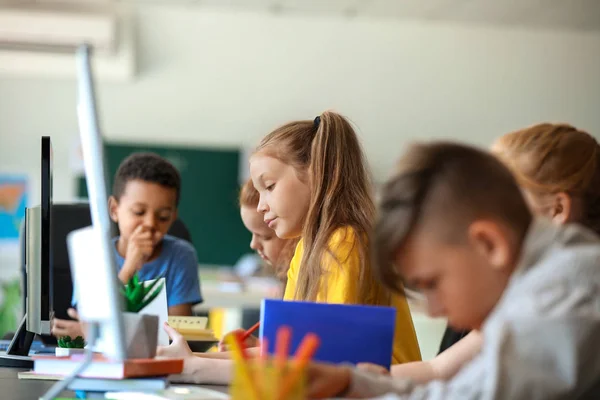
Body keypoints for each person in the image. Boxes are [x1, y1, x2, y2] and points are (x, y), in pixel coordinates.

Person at [305, 140, 600, 399]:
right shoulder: (546, 271)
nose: (434, 311)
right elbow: (465, 388)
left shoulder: (567, 289)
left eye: (431, 283)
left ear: (489, 244)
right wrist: (351, 383)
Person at [157, 111, 422, 384]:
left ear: (316, 174)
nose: (261, 205)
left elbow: (315, 364)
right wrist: (186, 360)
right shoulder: (307, 248)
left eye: (269, 186)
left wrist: (193, 368)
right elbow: (282, 355)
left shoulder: (343, 243)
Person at [52, 153, 203, 338]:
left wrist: (98, 331)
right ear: (114, 210)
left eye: (163, 216)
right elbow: (90, 318)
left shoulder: (181, 255)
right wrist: (129, 268)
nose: (150, 223)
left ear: (173, 216)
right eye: (139, 212)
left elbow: (177, 333)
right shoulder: (93, 254)